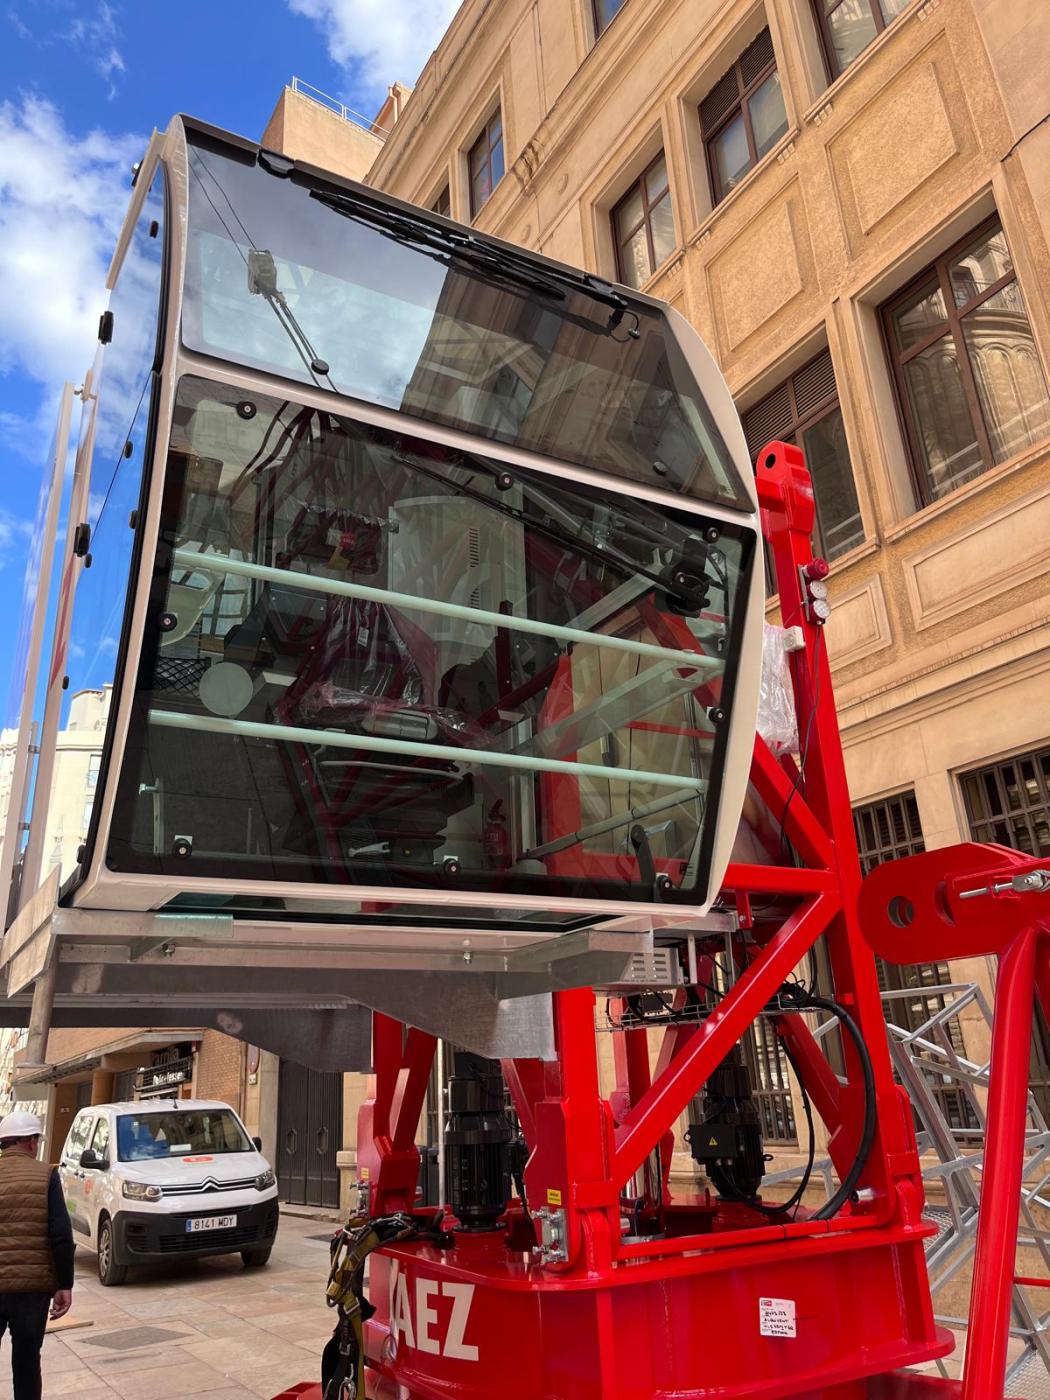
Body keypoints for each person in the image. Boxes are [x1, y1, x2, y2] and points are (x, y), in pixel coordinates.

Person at [0, 1111, 74, 1399]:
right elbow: (60, 1234)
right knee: (27, 1360)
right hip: (32, 1289)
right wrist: (64, 1284)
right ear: (31, 1142)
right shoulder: (47, 1175)